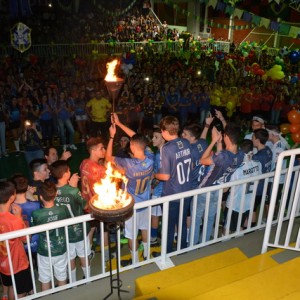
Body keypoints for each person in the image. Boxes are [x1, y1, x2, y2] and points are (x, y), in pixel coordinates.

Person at [106, 113, 154, 264]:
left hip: (132, 206)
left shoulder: (128, 164)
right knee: (145, 229)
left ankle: (135, 262)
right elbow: (138, 139)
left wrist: (112, 136)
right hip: (146, 203)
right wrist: (119, 124)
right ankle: (146, 255)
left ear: (132, 147)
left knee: (132, 235)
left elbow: (108, 158)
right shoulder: (151, 158)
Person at [194, 122, 244, 244]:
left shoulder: (223, 156)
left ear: (226, 137)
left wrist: (213, 141)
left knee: (196, 218)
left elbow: (203, 160)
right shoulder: (240, 154)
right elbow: (220, 159)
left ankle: (193, 244)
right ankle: (204, 242)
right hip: (219, 189)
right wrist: (219, 143)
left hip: (205, 189)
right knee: (210, 218)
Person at [155, 115, 192, 253]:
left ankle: (167, 252)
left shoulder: (166, 148)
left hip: (172, 194)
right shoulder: (186, 142)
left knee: (169, 225)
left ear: (164, 131)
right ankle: (182, 249)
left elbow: (165, 176)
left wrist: (154, 174)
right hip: (187, 190)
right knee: (181, 223)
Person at [50, 160, 91, 283]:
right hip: (79, 230)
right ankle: (88, 279)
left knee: (70, 258)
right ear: (66, 174)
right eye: (68, 170)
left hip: (63, 232)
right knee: (83, 255)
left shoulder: (51, 191)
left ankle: (72, 283)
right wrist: (75, 188)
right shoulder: (73, 191)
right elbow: (85, 205)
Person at [31, 181, 71, 291]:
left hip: (44, 251)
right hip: (61, 248)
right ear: (55, 194)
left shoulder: (37, 214)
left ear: (41, 197)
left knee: (45, 279)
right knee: (62, 276)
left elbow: (32, 230)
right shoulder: (63, 209)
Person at [0, 181, 33, 299]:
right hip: (17, 263)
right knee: (19, 292)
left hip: (3, 263)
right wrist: (19, 217)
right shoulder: (14, 220)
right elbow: (26, 239)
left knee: (10, 286)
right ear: (12, 197)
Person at [223, 139, 262, 233]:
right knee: (240, 226)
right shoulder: (258, 164)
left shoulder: (237, 169)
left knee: (227, 228)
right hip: (248, 202)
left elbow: (225, 189)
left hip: (235, 203)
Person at [79, 137, 107, 253]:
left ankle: (87, 253)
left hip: (87, 206)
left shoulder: (83, 163)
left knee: (91, 230)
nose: (104, 150)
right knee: (104, 231)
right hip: (99, 206)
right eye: (101, 148)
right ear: (93, 150)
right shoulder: (100, 170)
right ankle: (106, 256)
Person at [10, 174, 40, 271]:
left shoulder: (10, 208)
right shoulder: (36, 204)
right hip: (37, 243)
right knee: (41, 269)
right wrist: (32, 198)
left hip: (19, 247)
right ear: (27, 187)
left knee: (25, 269)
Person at [252, 128, 273, 226]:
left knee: (253, 208)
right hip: (266, 184)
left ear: (257, 139)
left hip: (258, 188)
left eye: (253, 137)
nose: (252, 139)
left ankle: (250, 230)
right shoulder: (268, 150)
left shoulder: (257, 157)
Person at [150, 126, 165, 246]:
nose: (153, 139)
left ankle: (153, 238)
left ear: (163, 139)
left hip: (159, 191)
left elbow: (160, 174)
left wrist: (151, 187)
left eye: (156, 137)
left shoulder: (160, 154)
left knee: (154, 215)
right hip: (167, 189)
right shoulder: (165, 151)